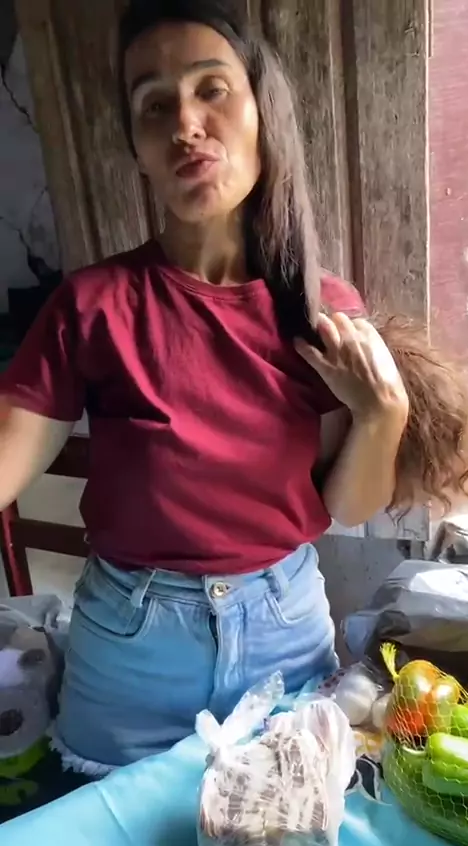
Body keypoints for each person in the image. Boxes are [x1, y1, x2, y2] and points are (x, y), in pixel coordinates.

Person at [0, 1, 410, 775]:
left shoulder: (321, 312)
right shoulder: (92, 306)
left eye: (211, 89)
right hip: (130, 652)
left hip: (286, 633)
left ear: (261, 112)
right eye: (154, 106)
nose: (186, 124)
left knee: (289, 820)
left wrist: (383, 416)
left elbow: (349, 505)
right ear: (138, 149)